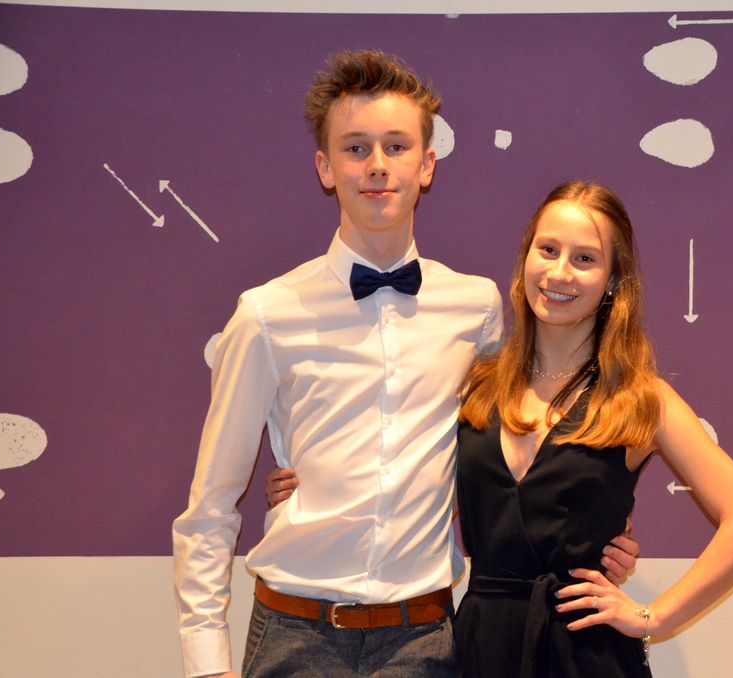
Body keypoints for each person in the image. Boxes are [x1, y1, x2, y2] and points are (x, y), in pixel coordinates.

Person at [172, 51, 638, 678]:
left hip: (425, 643)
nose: (377, 165)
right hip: (293, 637)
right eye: (355, 148)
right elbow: (210, 506)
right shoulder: (266, 314)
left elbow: (513, 452)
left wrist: (593, 530)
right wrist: (207, 665)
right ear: (325, 167)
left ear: (427, 164)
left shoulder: (477, 308)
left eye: (396, 146)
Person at [454, 181, 733, 676]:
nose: (559, 272)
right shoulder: (476, 385)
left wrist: (653, 617)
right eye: (548, 250)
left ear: (612, 281)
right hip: (481, 649)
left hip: (587, 656)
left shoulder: (641, 400)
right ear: (526, 259)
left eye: (585, 259)